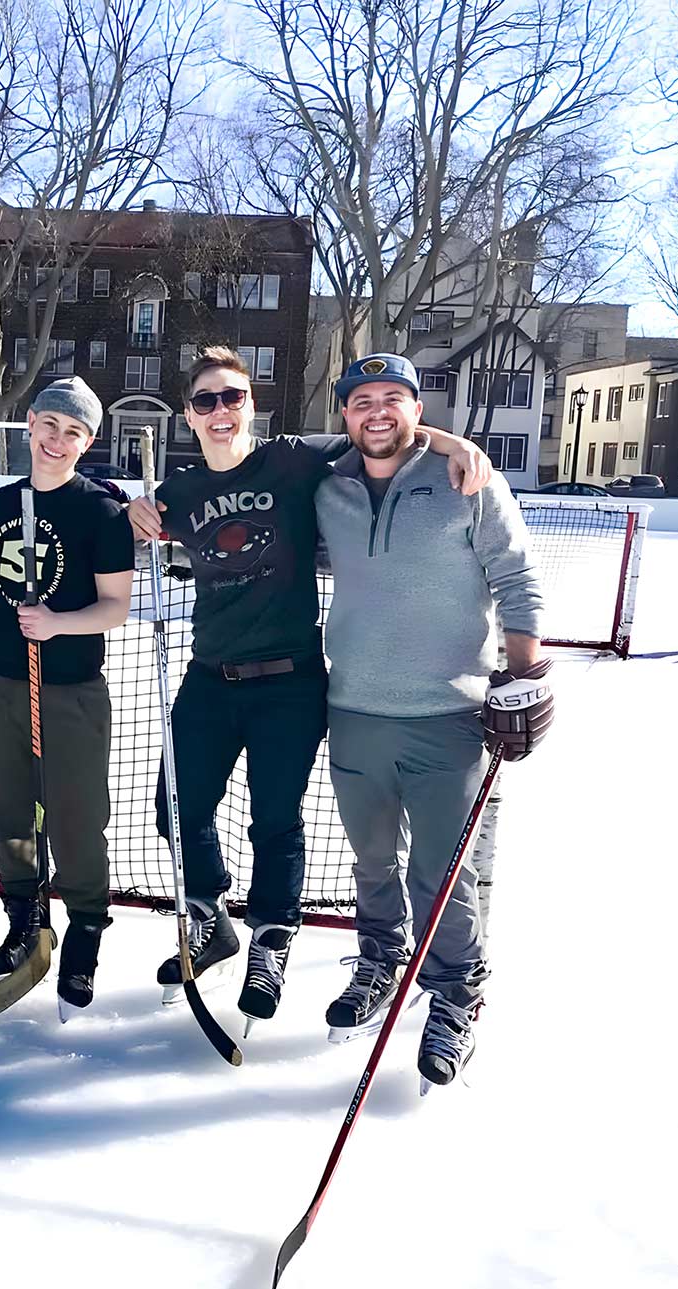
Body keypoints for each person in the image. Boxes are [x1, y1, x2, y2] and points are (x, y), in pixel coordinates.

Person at [125, 346, 491, 1033]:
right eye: (205, 400)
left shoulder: (295, 458)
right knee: (176, 806)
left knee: (275, 817)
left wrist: (457, 441)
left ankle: (269, 936)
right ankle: (208, 918)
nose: (220, 411)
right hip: (209, 676)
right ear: (188, 415)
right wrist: (133, 516)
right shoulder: (177, 492)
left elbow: (382, 431)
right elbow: (134, 531)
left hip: (289, 683)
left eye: (232, 397)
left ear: (251, 405)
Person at [316, 352, 552, 1087]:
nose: (377, 412)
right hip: (354, 709)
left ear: (419, 407)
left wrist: (527, 673)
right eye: (362, 400)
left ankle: (454, 993)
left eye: (394, 398)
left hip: (449, 715)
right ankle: (381, 960)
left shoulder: (468, 481)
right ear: (345, 412)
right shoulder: (326, 484)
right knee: (372, 860)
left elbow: (516, 578)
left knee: (443, 873)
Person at [0, 377, 135, 1019]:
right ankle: (25, 918)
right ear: (30, 423)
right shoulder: (4, 500)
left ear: (87, 442)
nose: (58, 441)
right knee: (8, 810)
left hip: (69, 689)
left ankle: (85, 926)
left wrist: (60, 623)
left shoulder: (102, 510)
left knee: (73, 816)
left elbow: (115, 606)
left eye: (74, 433)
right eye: (50, 425)